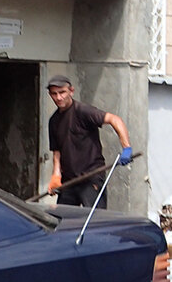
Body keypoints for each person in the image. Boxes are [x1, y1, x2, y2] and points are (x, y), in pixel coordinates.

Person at [46, 74, 132, 209]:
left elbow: (114, 119)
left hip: (91, 178)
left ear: (71, 91)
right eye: (54, 94)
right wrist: (56, 176)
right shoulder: (54, 121)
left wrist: (126, 148)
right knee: (61, 220)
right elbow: (57, 151)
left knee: (95, 221)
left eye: (62, 92)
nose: (58, 97)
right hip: (69, 181)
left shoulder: (83, 111)